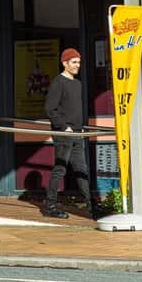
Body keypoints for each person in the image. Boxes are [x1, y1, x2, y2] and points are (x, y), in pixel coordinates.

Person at [42, 47, 94, 219]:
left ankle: (91, 205)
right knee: (60, 169)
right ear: (64, 63)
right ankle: (50, 206)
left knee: (81, 168)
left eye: (79, 62)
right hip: (64, 133)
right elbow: (50, 109)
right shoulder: (59, 82)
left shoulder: (77, 84)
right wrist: (64, 127)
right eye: (74, 62)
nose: (77, 65)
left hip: (77, 132)